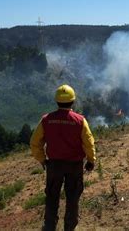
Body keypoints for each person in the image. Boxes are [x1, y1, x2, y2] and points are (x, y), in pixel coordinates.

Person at [30, 84, 96, 231]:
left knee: (52, 198)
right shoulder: (80, 120)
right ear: (73, 101)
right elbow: (89, 142)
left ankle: (49, 227)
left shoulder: (46, 120)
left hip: (54, 166)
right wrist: (91, 160)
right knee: (72, 199)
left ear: (56, 101)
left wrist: (42, 159)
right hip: (74, 166)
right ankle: (70, 228)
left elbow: (35, 142)